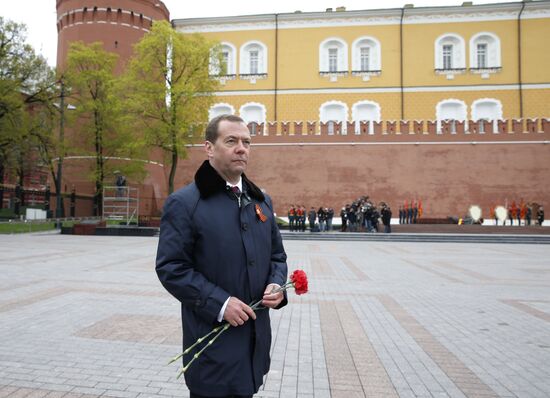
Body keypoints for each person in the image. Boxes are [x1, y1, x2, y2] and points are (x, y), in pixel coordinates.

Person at [156, 114, 288, 398]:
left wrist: (277, 286)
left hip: (254, 347)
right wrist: (220, 303)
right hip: (211, 349)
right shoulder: (185, 204)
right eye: (231, 141)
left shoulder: (261, 201)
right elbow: (171, 267)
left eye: (246, 142)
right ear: (209, 148)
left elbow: (277, 256)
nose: (242, 148)